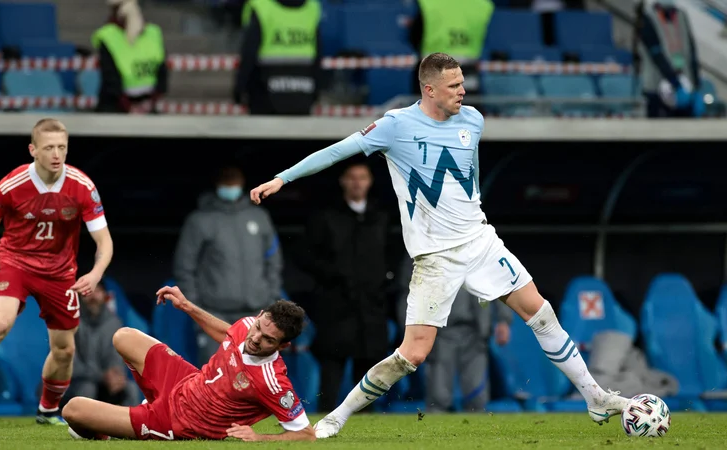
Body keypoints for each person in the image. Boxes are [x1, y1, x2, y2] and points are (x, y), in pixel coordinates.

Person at [250, 52, 630, 438]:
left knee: (541, 312)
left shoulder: (473, 120)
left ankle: (595, 397)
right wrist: (283, 178)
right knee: (413, 354)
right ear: (429, 89)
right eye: (454, 86)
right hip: (436, 258)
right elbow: (336, 151)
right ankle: (335, 418)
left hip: (480, 241)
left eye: (463, 83)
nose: (463, 91)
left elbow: (472, 177)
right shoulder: (395, 125)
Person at [0, 118, 114, 426]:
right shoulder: (12, 184)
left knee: (64, 350)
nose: (57, 154)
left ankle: (47, 410)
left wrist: (97, 272)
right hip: (16, 263)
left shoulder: (83, 187)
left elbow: (104, 240)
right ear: (33, 150)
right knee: (0, 324)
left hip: (61, 273)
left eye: (62, 147)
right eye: (49, 148)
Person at [61, 286, 316, 442]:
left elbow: (306, 434)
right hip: (185, 381)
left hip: (179, 422)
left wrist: (259, 438)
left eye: (268, 340)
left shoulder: (272, 381)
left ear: (283, 346)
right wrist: (186, 306)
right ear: (260, 316)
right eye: (259, 328)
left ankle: (116, 429)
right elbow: (230, 333)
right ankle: (141, 409)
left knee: (73, 410)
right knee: (123, 336)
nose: (255, 339)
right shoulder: (250, 326)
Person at [298, 162, 390, 412]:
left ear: (370, 181)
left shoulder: (382, 216)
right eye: (352, 177)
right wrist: (334, 276)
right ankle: (326, 417)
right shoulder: (326, 216)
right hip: (335, 306)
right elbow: (306, 257)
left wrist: (384, 284)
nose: (357, 182)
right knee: (332, 366)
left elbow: (394, 255)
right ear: (343, 181)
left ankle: (364, 425)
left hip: (371, 307)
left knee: (368, 370)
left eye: (363, 177)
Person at [174, 165, 282, 368]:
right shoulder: (199, 220)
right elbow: (184, 267)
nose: (231, 187)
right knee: (215, 374)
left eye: (234, 182)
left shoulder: (259, 217)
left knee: (255, 376)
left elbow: (273, 261)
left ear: (242, 184)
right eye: (227, 183)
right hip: (214, 312)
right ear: (218, 185)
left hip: (256, 312)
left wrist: (270, 301)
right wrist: (197, 308)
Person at [398, 255, 511, 412]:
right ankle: (435, 434)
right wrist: (411, 328)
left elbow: (496, 282)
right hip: (439, 334)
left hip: (475, 332)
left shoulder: (478, 243)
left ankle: (478, 434)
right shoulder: (422, 248)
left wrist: (503, 319)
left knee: (476, 397)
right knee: (438, 397)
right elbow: (409, 293)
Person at [233, 0, 322, 115]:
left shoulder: (261, 7)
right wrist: (317, 89)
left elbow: (249, 52)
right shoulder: (311, 8)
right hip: (303, 94)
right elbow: (318, 53)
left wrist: (240, 87)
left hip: (264, 96)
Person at [64, 282, 139, 409]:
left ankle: (133, 425)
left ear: (105, 295)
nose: (93, 297)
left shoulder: (115, 323)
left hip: (104, 384)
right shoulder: (69, 322)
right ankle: (82, 426)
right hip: (73, 385)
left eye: (97, 291)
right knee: (87, 388)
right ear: (79, 296)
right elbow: (70, 365)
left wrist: (115, 376)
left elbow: (117, 358)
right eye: (88, 292)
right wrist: (102, 376)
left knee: (131, 388)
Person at [92, 0, 168, 114]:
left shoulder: (152, 33)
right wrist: (136, 106)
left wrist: (144, 105)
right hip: (119, 107)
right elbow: (111, 81)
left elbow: (162, 73)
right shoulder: (109, 36)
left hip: (139, 107)